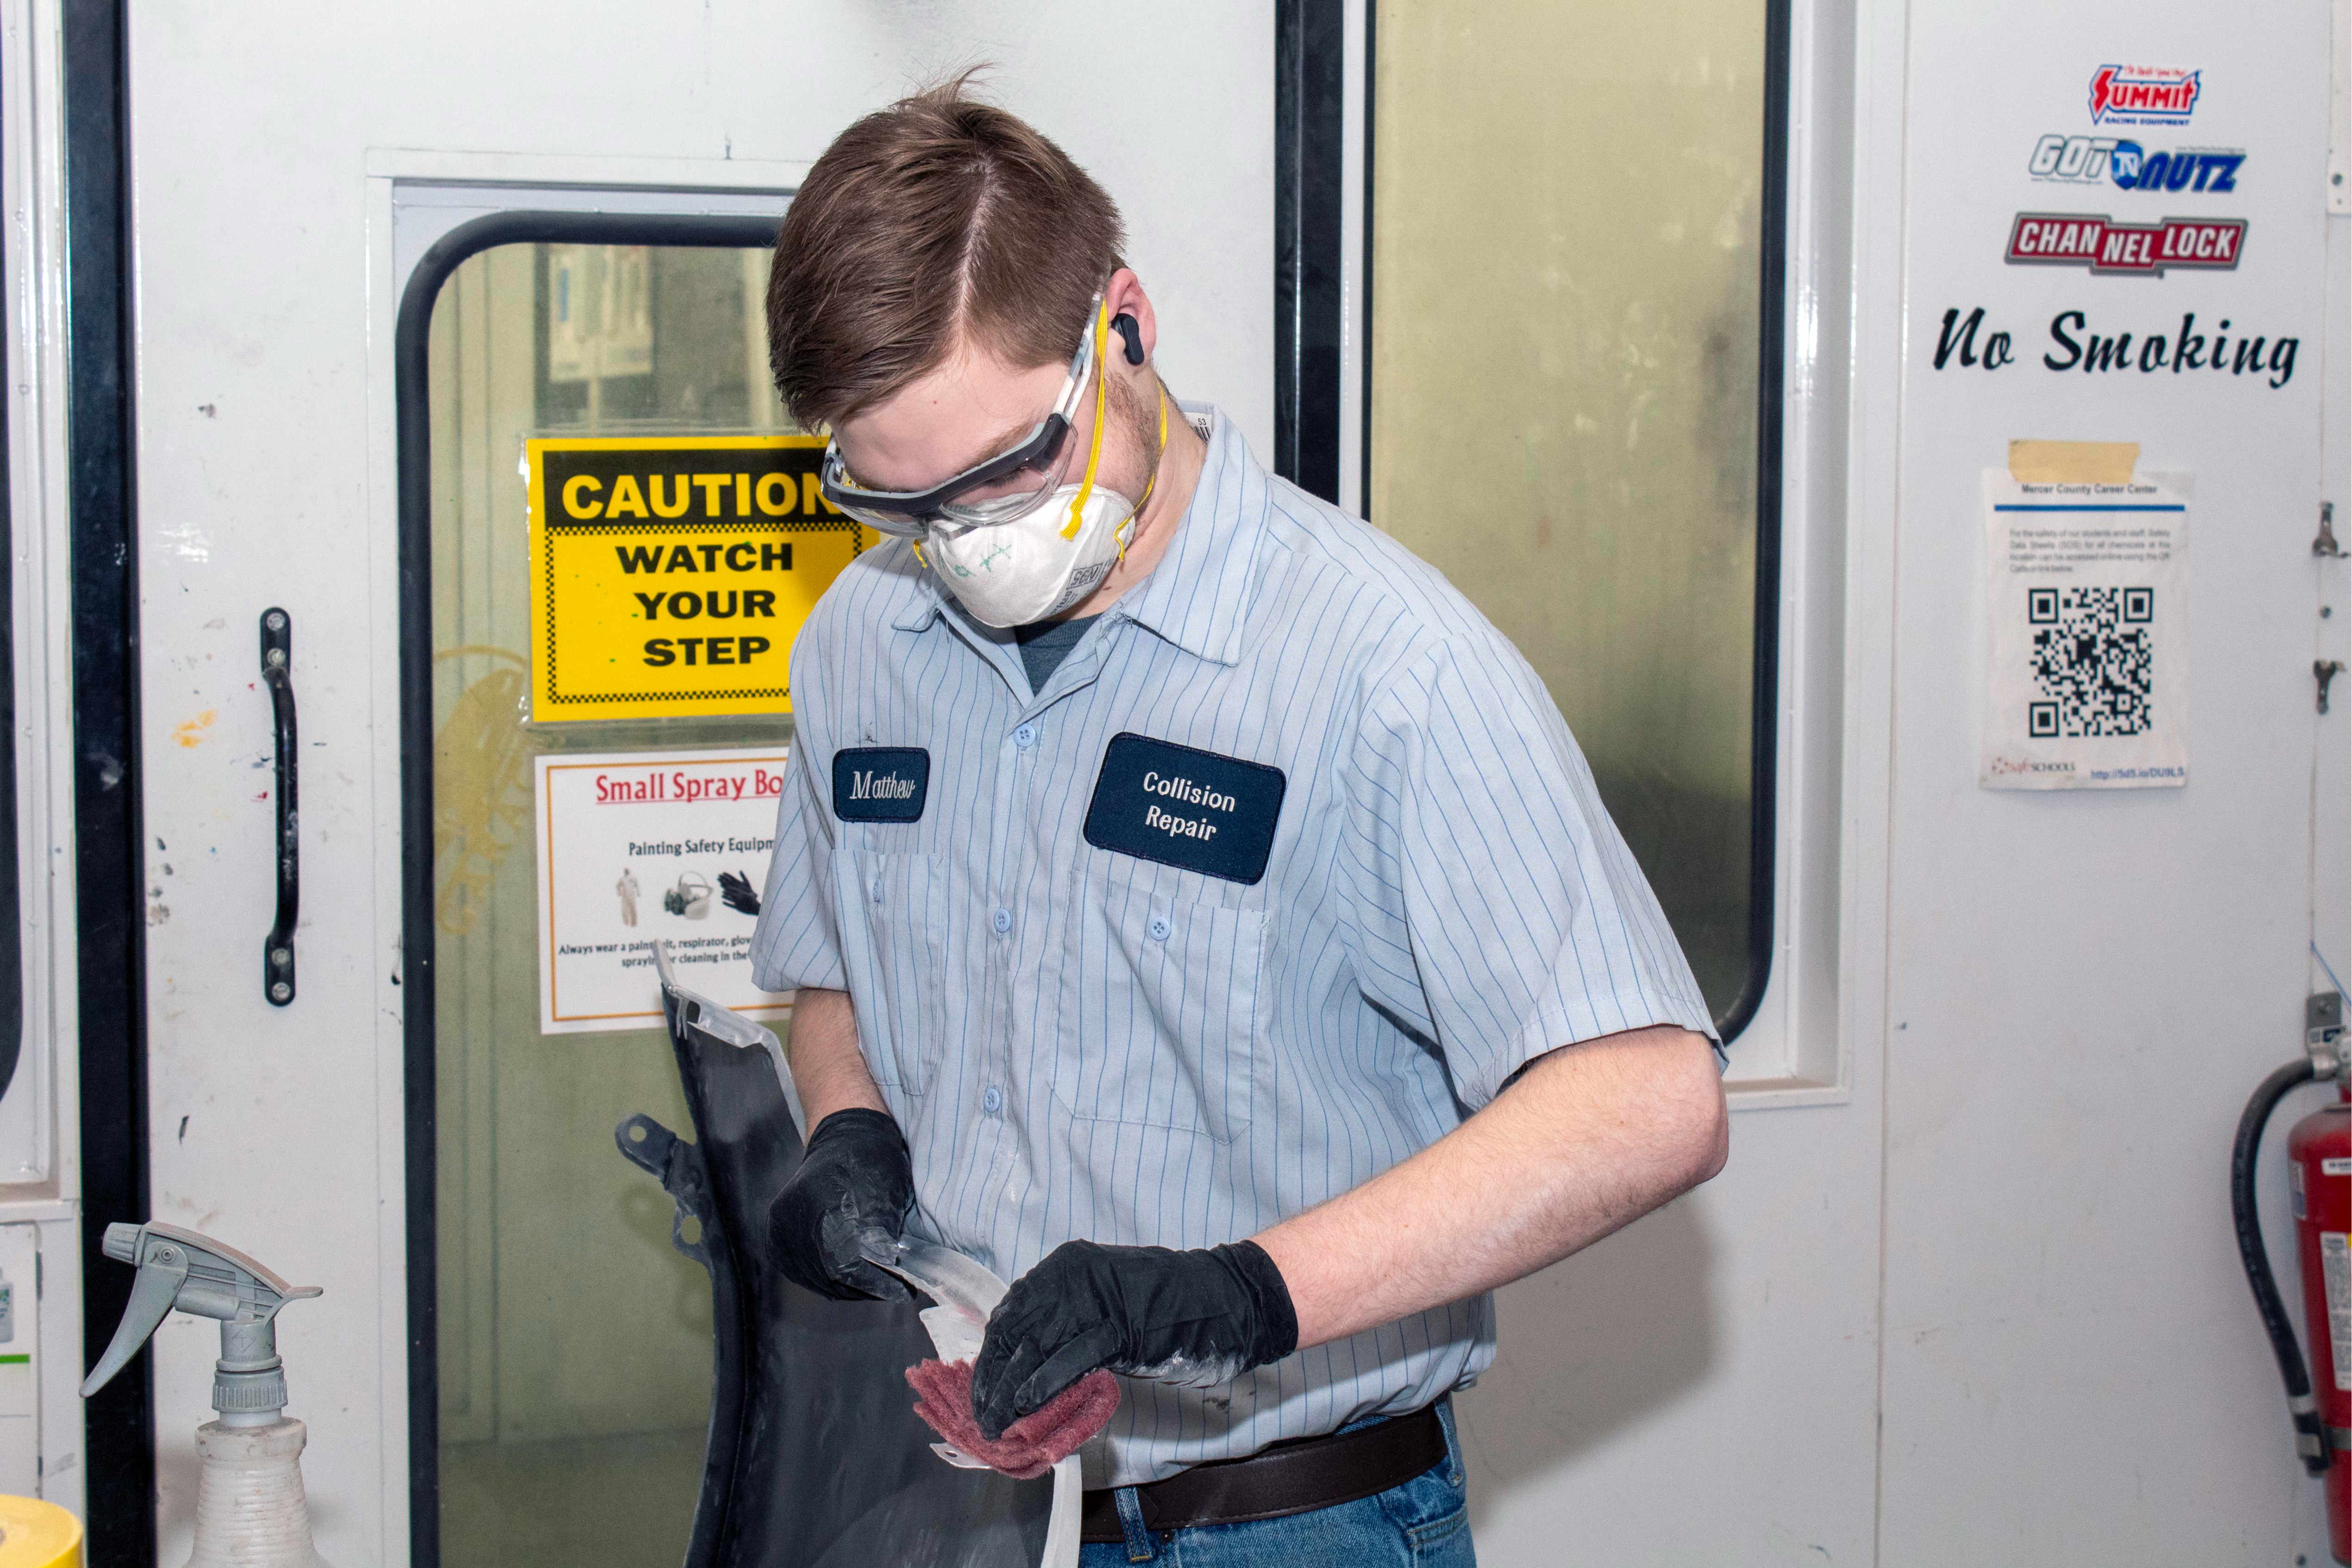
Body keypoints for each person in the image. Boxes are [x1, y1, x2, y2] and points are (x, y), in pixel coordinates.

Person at [749, 78, 1728, 1567]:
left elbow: (1651, 1100)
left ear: (1122, 329)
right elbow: (835, 967)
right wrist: (850, 1123)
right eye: (906, 506)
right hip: (957, 1509)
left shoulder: (1383, 666)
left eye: (1009, 465)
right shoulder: (861, 646)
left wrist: (1238, 1291)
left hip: (1285, 1523)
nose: (966, 539)